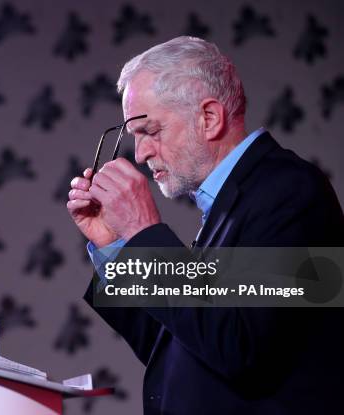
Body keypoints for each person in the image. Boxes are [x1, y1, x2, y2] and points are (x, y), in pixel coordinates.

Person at [67, 36, 344, 414]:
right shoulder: (231, 201)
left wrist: (145, 232)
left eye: (149, 131)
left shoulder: (291, 190)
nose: (140, 153)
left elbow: (241, 350)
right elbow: (181, 346)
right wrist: (118, 245)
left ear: (209, 118)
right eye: (134, 137)